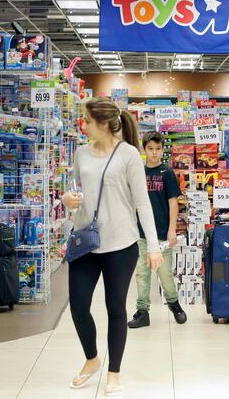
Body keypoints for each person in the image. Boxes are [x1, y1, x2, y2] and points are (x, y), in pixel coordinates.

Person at [62, 98, 163, 395]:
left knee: (115, 308)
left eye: (87, 121)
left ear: (104, 124)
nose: (83, 125)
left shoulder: (130, 155)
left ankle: (114, 372)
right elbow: (75, 191)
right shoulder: (80, 153)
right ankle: (92, 359)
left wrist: (154, 246)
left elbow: (143, 203)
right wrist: (67, 201)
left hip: (121, 245)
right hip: (85, 242)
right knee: (79, 306)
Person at [128, 131, 187, 328]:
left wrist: (172, 230)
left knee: (164, 273)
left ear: (163, 150)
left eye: (158, 149)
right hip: (142, 234)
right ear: (144, 150)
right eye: (150, 149)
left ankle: (174, 304)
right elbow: (133, 203)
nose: (154, 153)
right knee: (142, 273)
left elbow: (173, 203)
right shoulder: (138, 173)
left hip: (162, 233)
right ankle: (142, 311)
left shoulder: (167, 173)